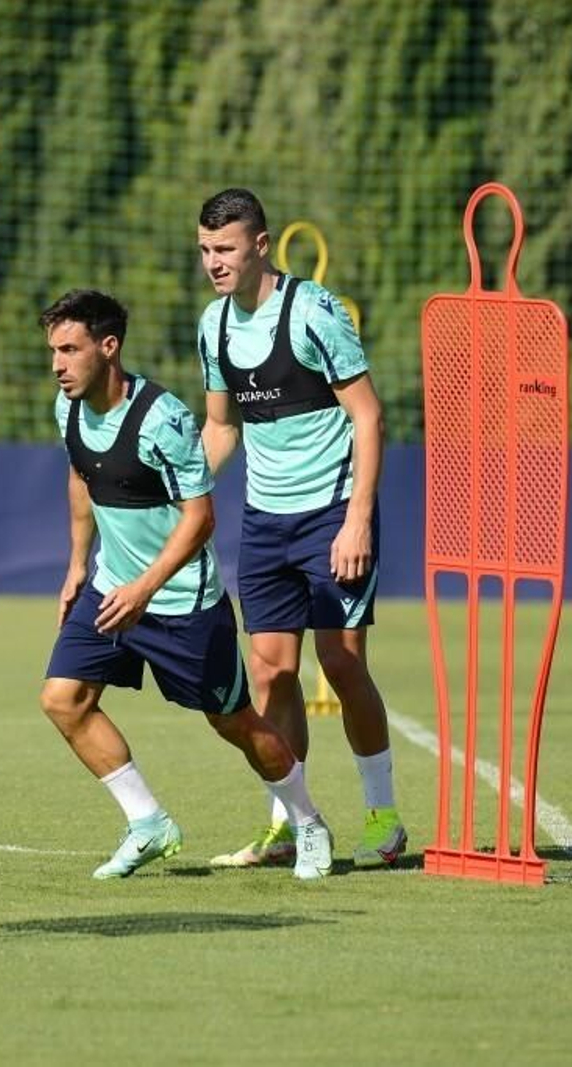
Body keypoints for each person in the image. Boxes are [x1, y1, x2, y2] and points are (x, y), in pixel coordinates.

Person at [38, 288, 334, 881]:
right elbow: (80, 476)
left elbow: (201, 518)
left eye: (70, 350)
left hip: (181, 604)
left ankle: (307, 822)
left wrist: (144, 589)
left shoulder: (162, 420)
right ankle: (148, 824)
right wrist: (78, 564)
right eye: (54, 351)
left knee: (236, 724)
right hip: (111, 589)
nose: (58, 364)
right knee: (62, 700)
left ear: (109, 346)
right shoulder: (67, 408)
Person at [194, 188, 407, 870]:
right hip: (265, 522)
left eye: (225, 248)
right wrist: (182, 491)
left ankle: (385, 817)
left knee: (341, 663)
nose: (213, 262)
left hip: (333, 515)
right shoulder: (213, 326)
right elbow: (222, 426)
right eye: (204, 250)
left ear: (261, 244)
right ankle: (288, 823)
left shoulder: (315, 312)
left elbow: (368, 417)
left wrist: (357, 522)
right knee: (272, 675)